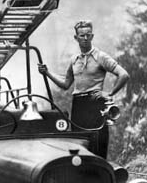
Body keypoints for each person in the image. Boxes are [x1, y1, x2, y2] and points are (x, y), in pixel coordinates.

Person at [38, 20, 129, 158]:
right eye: (82, 36)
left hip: (96, 104)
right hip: (79, 107)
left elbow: (123, 75)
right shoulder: (74, 59)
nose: (85, 38)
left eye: (88, 35)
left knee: (97, 145)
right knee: (79, 146)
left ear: (92, 36)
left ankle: (100, 177)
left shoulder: (101, 56)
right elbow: (65, 84)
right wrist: (47, 73)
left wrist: (110, 94)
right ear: (76, 38)